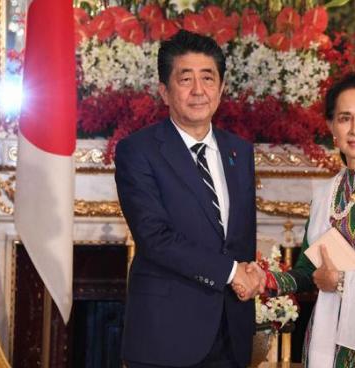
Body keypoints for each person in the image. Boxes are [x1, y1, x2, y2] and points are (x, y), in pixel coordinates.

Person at [239, 72, 355, 367]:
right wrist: (267, 279)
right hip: (327, 333)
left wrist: (341, 280)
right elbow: (306, 271)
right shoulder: (326, 193)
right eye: (344, 118)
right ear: (331, 128)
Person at [115, 30, 264, 368]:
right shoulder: (138, 151)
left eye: (208, 78)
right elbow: (155, 238)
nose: (199, 90)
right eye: (186, 79)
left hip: (231, 334)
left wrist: (249, 275)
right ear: (164, 91)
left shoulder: (239, 151)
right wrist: (231, 272)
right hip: (165, 336)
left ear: (222, 88)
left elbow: (239, 238)